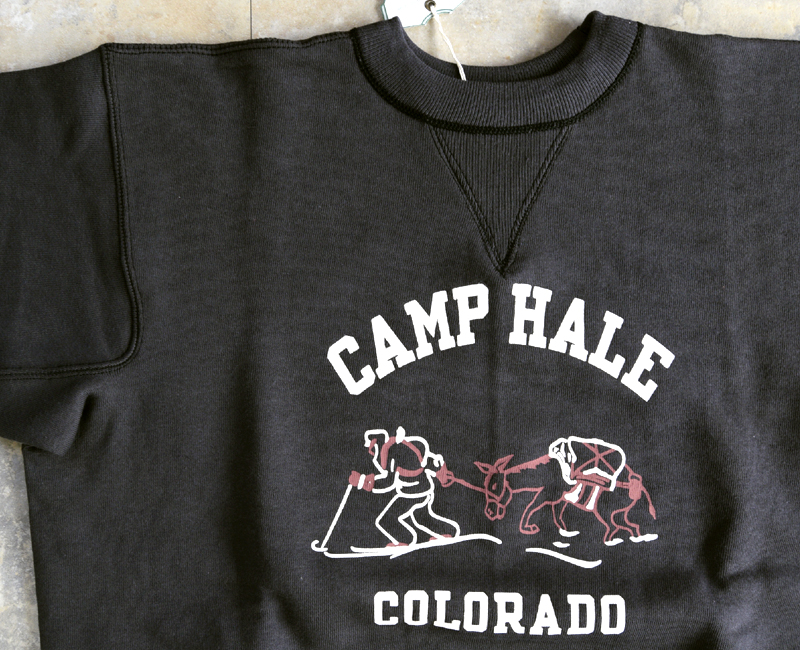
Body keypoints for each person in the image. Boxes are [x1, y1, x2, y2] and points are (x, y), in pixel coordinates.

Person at [350, 427, 460, 546]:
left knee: (387, 519)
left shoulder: (389, 451)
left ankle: (404, 540)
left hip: (413, 492)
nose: (371, 453)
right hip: (423, 488)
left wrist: (365, 483)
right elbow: (425, 459)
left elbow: (388, 481)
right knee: (421, 517)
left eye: (371, 449)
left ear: (375, 445)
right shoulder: (401, 444)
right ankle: (447, 532)